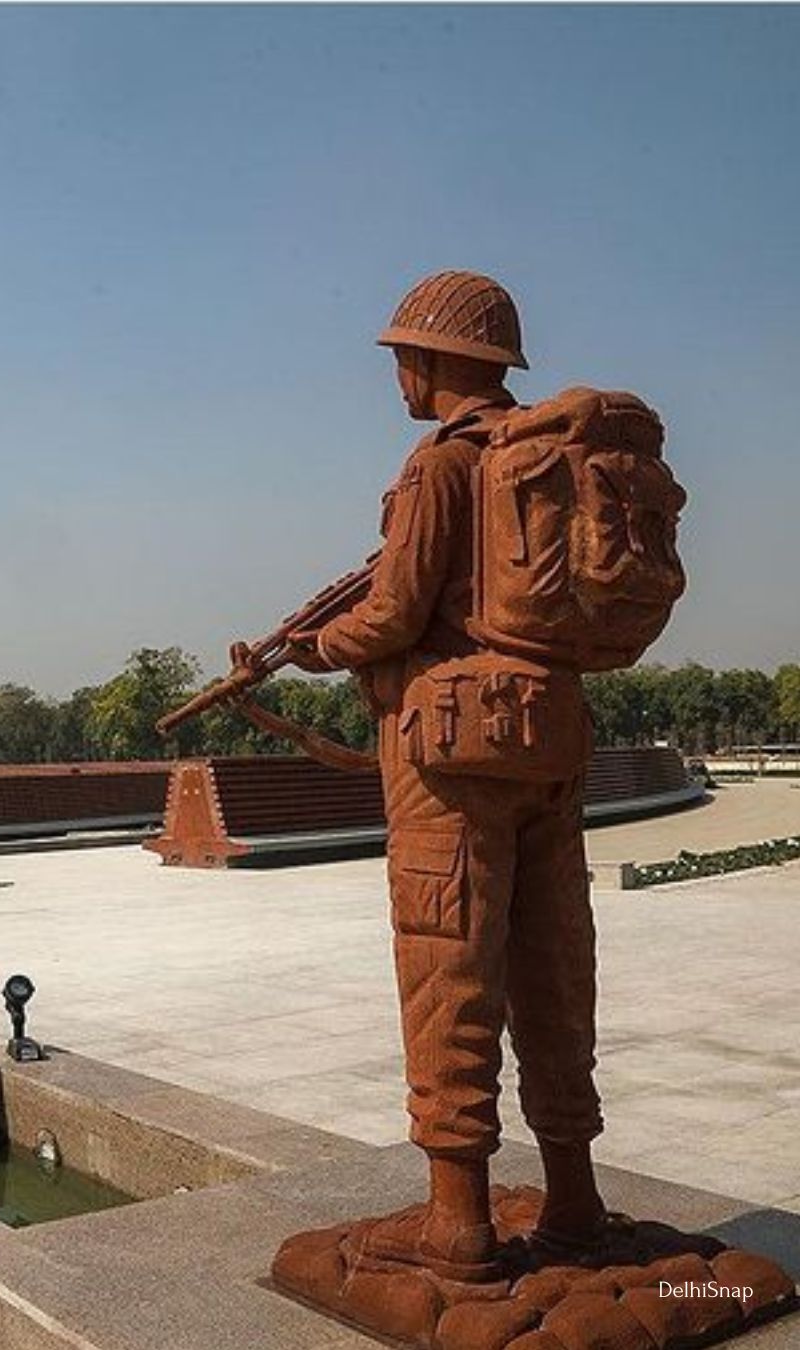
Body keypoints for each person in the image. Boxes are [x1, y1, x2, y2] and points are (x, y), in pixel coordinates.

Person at [287, 271, 608, 1281]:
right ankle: (575, 1199)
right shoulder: (543, 457)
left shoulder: (442, 468)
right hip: (548, 739)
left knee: (448, 969)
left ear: (431, 363)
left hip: (452, 753)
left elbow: (390, 617)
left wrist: (313, 648)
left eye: (402, 360)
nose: (399, 378)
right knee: (556, 967)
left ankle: (458, 1224)